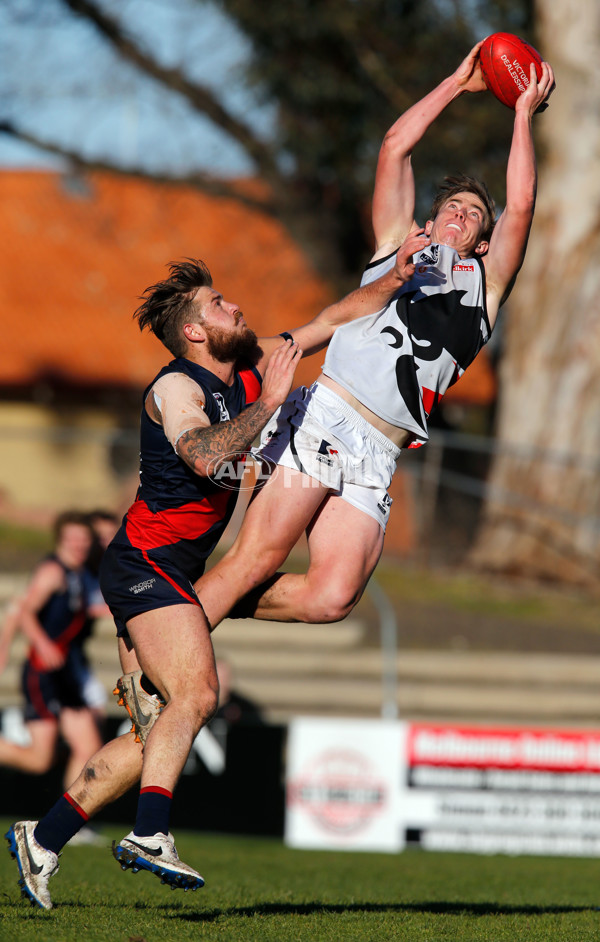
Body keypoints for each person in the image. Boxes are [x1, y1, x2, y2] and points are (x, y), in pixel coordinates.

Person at [5, 251, 421, 909]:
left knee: (163, 728)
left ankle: (42, 838)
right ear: (195, 332)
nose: (237, 308)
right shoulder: (178, 388)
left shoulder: (253, 370)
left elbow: (329, 321)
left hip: (183, 577)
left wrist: (393, 283)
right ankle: (149, 834)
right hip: (145, 568)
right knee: (196, 694)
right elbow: (203, 454)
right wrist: (274, 403)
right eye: (220, 304)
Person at [191, 42, 555, 631]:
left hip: (380, 452)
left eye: (472, 215)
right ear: (427, 222)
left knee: (330, 598)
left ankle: (185, 609)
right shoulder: (396, 247)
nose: (460, 215)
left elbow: (523, 204)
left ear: (483, 243)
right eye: (451, 207)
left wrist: (520, 113)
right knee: (257, 558)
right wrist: (456, 85)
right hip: (331, 414)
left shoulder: (483, 289)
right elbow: (394, 147)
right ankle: (163, 662)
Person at [0, 511, 104, 791]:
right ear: (60, 539)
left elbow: (89, 609)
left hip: (65, 673)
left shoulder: (80, 574)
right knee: (39, 760)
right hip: (42, 674)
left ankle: (69, 823)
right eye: (72, 538)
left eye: (84, 539)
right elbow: (24, 612)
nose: (78, 544)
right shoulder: (53, 572)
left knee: (89, 749)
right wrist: (41, 644)